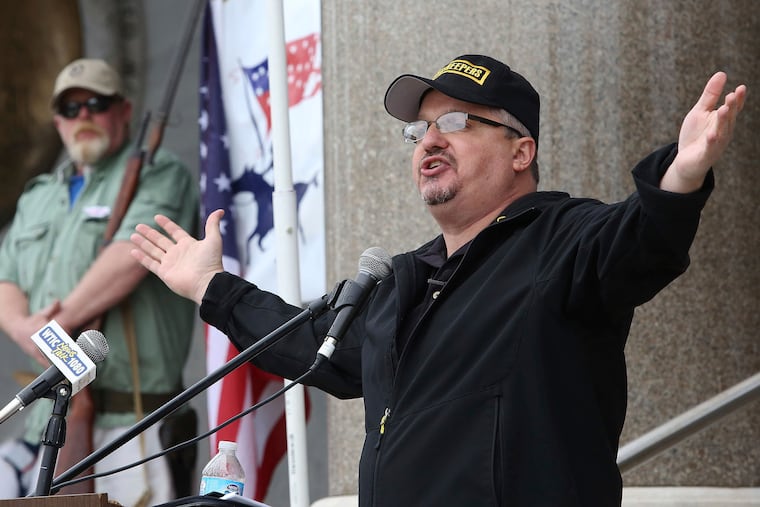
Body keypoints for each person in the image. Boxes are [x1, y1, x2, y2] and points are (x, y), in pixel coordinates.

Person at [130, 54, 746, 506]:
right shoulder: (402, 280)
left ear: (520, 151)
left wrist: (679, 179)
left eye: (455, 122)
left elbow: (640, 243)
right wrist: (212, 287)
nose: (428, 140)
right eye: (419, 129)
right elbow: (312, 346)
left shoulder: (565, 238)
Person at [0, 58, 199, 505]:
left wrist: (57, 326)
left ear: (123, 110)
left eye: (96, 103)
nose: (83, 116)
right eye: (70, 109)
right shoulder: (38, 196)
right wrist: (25, 329)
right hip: (50, 422)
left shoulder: (159, 173)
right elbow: (4, 277)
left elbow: (132, 255)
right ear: (56, 120)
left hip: (134, 423)